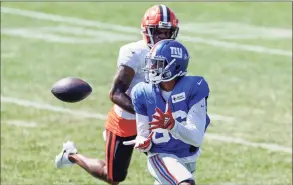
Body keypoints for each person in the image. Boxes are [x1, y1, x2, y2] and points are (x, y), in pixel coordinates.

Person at [54, 4, 180, 185]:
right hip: (126, 120)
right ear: (146, 31)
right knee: (114, 177)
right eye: (158, 32)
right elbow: (116, 93)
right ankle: (72, 155)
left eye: (167, 33)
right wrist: (146, 112)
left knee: (171, 163)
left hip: (155, 119)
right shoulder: (134, 52)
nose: (163, 37)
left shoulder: (175, 53)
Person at [123, 39, 210, 185]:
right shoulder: (142, 91)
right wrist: (142, 142)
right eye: (151, 62)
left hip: (187, 157)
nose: (152, 67)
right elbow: (143, 134)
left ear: (174, 66)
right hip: (160, 155)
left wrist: (172, 125)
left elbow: (196, 138)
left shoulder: (194, 88)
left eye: (158, 63)